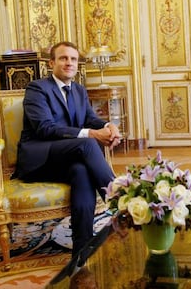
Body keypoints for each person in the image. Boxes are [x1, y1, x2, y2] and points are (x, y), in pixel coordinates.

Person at [14, 41, 121, 263]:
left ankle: (81, 252)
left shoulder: (79, 90)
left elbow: (90, 119)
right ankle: (122, 202)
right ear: (51, 63)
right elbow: (45, 129)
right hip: (40, 159)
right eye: (63, 58)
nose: (69, 63)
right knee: (88, 143)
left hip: (68, 158)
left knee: (81, 171)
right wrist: (92, 134)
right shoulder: (37, 89)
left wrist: (109, 126)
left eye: (73, 59)